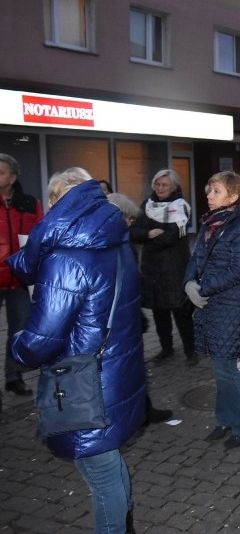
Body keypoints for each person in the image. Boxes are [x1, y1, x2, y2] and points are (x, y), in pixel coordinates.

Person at [10, 168, 146, 534]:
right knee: (109, 462)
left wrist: (16, 345)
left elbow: (40, 341)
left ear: (58, 202)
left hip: (83, 383)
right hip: (114, 370)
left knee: (100, 473)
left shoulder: (67, 256)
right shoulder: (115, 240)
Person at [184, 171, 240, 450]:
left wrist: (201, 288)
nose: (209, 195)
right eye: (209, 189)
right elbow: (195, 258)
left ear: (233, 196)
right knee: (219, 366)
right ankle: (225, 419)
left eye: (216, 191)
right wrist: (189, 282)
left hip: (232, 306)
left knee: (227, 367)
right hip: (211, 305)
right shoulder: (210, 223)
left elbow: (239, 270)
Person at [107, 192, 173, 427]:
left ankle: (141, 408)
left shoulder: (121, 242)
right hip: (116, 320)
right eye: (128, 219)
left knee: (130, 366)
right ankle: (134, 412)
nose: (130, 224)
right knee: (124, 368)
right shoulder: (111, 244)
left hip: (125, 315)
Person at [130, 169, 196, 366]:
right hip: (152, 269)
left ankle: (191, 351)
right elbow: (134, 231)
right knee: (159, 312)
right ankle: (166, 349)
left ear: (173, 187)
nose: (160, 188)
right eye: (157, 184)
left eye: (164, 184)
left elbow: (171, 236)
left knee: (180, 311)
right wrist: (149, 234)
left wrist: (146, 238)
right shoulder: (147, 205)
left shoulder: (180, 207)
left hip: (175, 268)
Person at [0, 153, 43, 401]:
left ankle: (13, 378)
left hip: (18, 279)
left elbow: (37, 236)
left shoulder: (29, 203)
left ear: (13, 177)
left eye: (2, 172)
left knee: (18, 331)